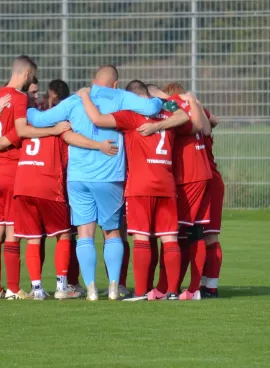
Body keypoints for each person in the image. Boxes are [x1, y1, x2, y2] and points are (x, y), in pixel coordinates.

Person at [25, 65, 163, 301]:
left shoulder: (75, 100)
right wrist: (160, 99)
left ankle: (89, 288)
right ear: (116, 84)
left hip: (78, 177)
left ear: (93, 81)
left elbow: (38, 118)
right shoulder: (121, 97)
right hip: (110, 176)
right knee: (111, 234)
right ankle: (112, 286)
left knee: (85, 233)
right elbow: (152, 106)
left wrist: (24, 107)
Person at [0, 79, 118, 300]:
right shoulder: (61, 129)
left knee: (32, 238)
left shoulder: (27, 127)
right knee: (64, 235)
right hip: (49, 185)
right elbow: (67, 158)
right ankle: (62, 286)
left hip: (23, 185)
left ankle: (37, 289)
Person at [78, 80, 190, 300]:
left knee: (141, 238)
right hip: (166, 183)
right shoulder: (167, 111)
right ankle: (172, 291)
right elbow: (185, 115)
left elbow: (98, 119)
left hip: (140, 185)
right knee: (169, 238)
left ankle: (141, 292)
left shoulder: (131, 115)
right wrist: (161, 116)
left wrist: (84, 96)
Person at [0, 55, 70, 300]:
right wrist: (52, 130)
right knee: (14, 233)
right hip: (11, 172)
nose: (34, 97)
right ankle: (14, 288)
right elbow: (21, 130)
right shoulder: (19, 99)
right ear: (28, 75)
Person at [138, 83, 211, 300]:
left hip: (189, 176)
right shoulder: (186, 104)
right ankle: (179, 287)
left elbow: (200, 127)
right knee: (187, 232)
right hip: (196, 174)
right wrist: (193, 101)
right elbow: (209, 125)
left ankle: (175, 287)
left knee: (175, 233)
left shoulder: (170, 107)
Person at [200, 108, 224, 298]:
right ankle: (205, 285)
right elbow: (214, 120)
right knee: (206, 236)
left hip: (203, 183)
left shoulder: (182, 123)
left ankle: (208, 286)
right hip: (210, 181)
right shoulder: (200, 119)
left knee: (206, 236)